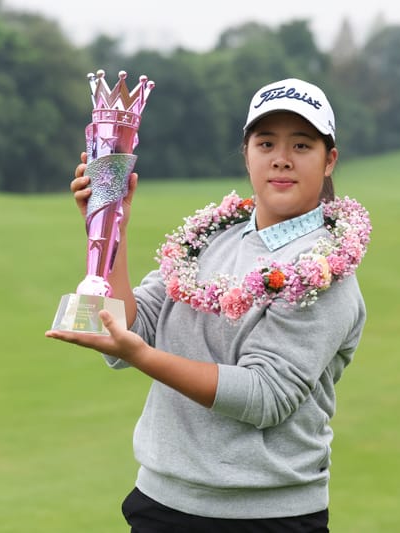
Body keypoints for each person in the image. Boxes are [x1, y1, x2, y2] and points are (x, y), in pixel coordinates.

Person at [46, 77, 370, 532]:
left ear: (329, 159)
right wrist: (110, 225)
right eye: (265, 142)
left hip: (266, 518)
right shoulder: (206, 239)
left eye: (302, 144)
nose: (281, 157)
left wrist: (141, 357)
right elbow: (132, 327)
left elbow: (264, 396)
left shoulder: (324, 269)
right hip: (161, 503)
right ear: (247, 154)